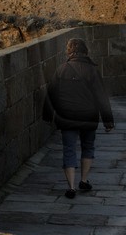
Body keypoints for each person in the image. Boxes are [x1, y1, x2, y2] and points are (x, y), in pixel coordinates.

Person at [47, 37, 114, 199]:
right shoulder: (92, 71)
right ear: (85, 52)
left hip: (67, 117)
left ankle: (71, 187)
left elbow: (51, 95)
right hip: (88, 116)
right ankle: (83, 180)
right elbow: (101, 97)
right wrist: (108, 120)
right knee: (88, 147)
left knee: (69, 150)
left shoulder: (61, 69)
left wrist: (48, 116)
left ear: (69, 52)